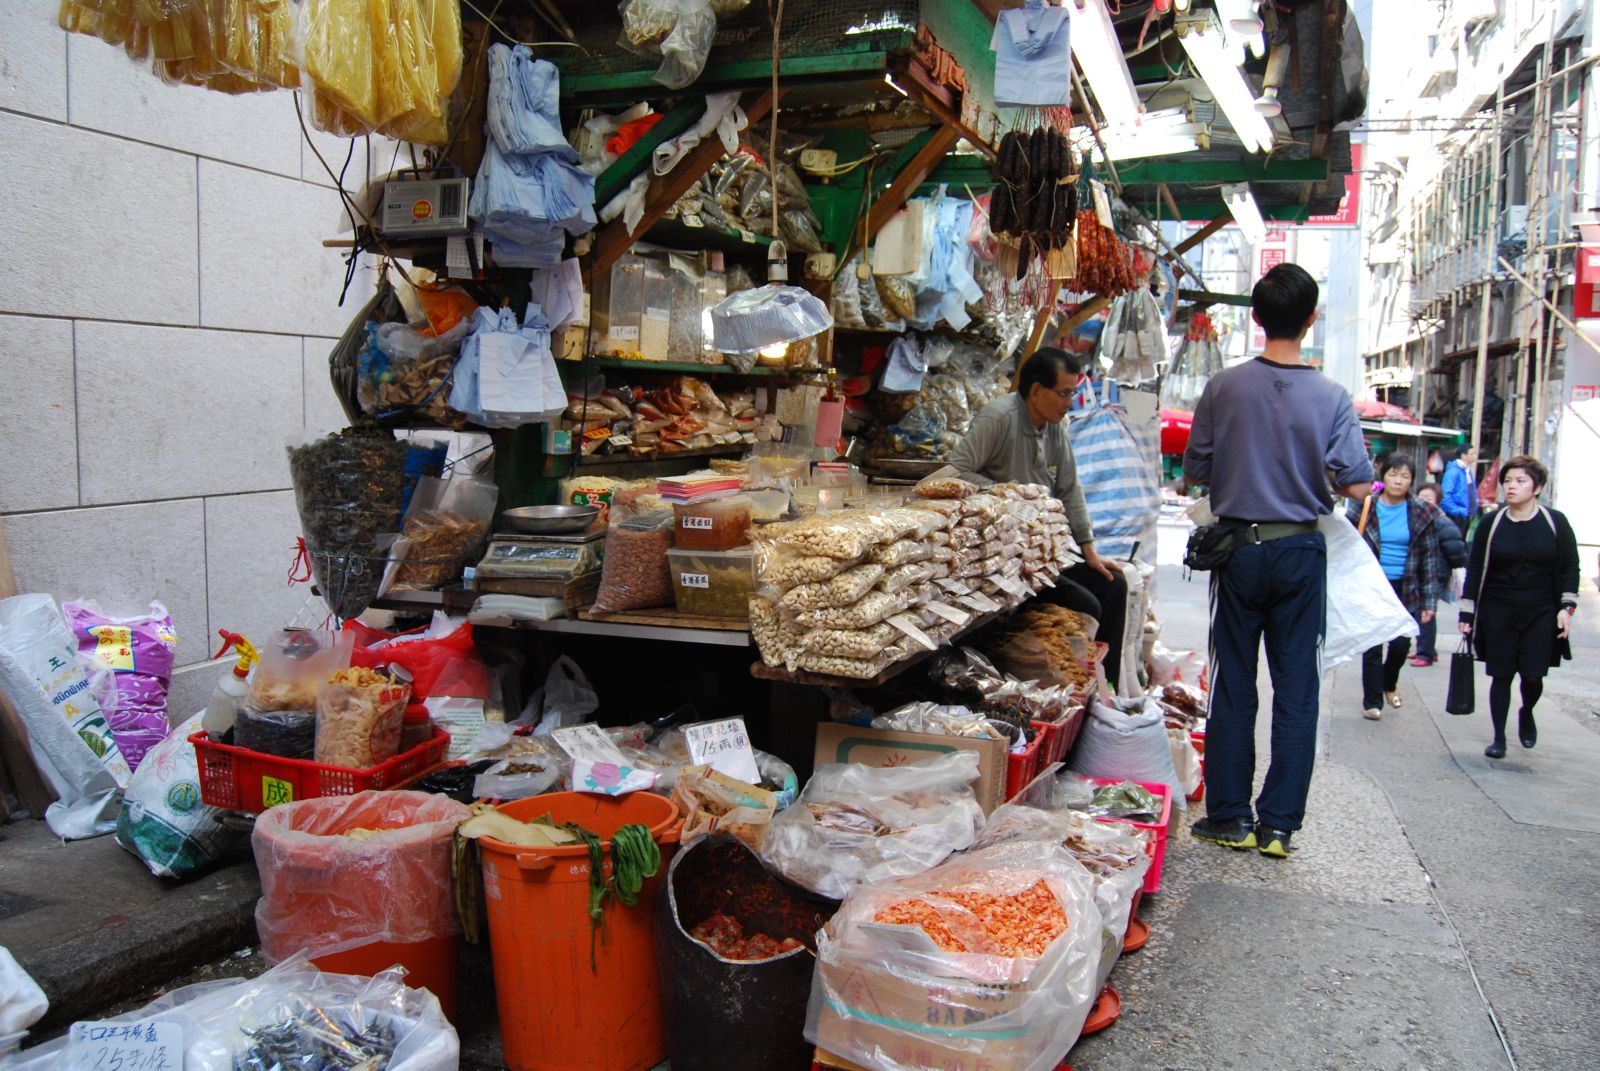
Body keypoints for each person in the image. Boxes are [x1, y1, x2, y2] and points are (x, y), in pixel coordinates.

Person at [1182, 263, 1373, 859]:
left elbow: (1195, 470)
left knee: (1234, 682)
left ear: (1257, 317)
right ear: (1311, 318)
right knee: (1298, 688)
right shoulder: (1333, 397)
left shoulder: (1224, 387)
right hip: (1300, 553)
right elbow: (1359, 484)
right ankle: (1279, 826)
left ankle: (1230, 817)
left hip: (1239, 550)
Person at [950, 346, 1130, 687]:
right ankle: (1070, 684)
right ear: (1036, 390)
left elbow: (1070, 489)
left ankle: (1105, 688)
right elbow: (956, 471)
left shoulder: (1054, 427)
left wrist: (1089, 549)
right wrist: (1006, 492)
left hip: (1044, 552)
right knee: (1086, 604)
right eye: (1064, 393)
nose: (1069, 403)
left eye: (1072, 393)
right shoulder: (999, 418)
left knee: (1113, 585)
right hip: (1005, 558)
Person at [1459, 456, 1579, 759]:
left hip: (1541, 611)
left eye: (1520, 481)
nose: (1511, 486)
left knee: (1533, 675)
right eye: (1508, 481)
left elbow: (1570, 566)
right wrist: (1467, 612)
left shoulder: (1556, 522)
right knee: (1501, 675)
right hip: (1498, 610)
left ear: (1537, 488)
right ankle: (1498, 738)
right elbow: (1475, 567)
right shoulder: (1491, 523)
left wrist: (1566, 608)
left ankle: (1527, 710)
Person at [1346, 454, 1449, 719]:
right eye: (1393, 474)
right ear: (1383, 476)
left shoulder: (1421, 511)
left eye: (1404, 476)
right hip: (1372, 586)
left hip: (1406, 586)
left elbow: (1430, 559)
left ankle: (1389, 683)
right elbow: (1346, 545)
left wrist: (1429, 602)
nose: (1398, 481)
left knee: (1401, 645)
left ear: (1412, 481)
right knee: (1372, 645)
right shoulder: (1365, 506)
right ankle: (1372, 702)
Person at [1411, 481, 1468, 666]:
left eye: (1428, 498)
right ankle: (1427, 649)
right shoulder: (1417, 518)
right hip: (1420, 572)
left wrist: (1450, 568)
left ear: (1437, 501)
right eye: (1421, 497)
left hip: (1435, 572)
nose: (1424, 501)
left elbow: (1456, 550)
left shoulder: (1441, 521)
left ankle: (1425, 653)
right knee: (1419, 610)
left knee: (1426, 611)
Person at [1441, 445, 1479, 537]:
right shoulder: (1453, 472)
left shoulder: (1467, 471)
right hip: (1456, 517)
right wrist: (1458, 511)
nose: (1475, 456)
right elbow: (1445, 495)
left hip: (1466, 516)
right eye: (1472, 454)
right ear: (1463, 456)